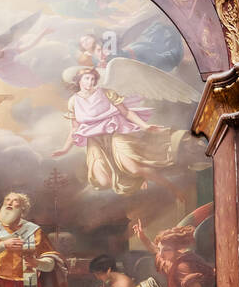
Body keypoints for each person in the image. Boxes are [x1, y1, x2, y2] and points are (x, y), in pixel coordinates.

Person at [51, 67, 183, 199]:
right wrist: (65, 149)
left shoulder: (106, 93)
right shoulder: (73, 101)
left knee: (134, 168)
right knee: (104, 181)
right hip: (94, 140)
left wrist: (145, 126)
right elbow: (75, 128)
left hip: (114, 132)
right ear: (79, 80)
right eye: (87, 78)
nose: (90, 82)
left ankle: (173, 188)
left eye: (92, 79)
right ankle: (138, 178)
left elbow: (126, 112)